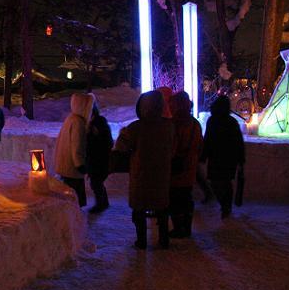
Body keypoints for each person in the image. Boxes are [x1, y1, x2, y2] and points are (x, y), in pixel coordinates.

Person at [113, 91, 175, 249]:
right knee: (162, 209)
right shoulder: (168, 126)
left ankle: (141, 241)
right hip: (162, 175)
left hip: (141, 175)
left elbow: (121, 147)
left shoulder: (135, 128)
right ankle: (163, 239)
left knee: (139, 210)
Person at [201, 95, 245, 219]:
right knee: (225, 182)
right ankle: (226, 206)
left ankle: (225, 205)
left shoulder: (212, 120)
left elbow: (207, 139)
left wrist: (204, 156)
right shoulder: (231, 122)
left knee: (217, 182)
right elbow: (239, 142)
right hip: (229, 158)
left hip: (216, 157)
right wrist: (240, 159)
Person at [169, 91, 203, 238]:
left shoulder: (174, 124)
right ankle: (187, 227)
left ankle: (178, 228)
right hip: (190, 167)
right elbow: (200, 146)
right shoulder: (195, 124)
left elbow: (171, 146)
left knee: (174, 199)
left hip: (175, 168)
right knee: (186, 198)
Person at [55, 93, 95, 207]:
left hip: (66, 166)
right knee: (76, 200)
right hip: (72, 168)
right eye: (90, 107)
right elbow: (77, 146)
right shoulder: (79, 123)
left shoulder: (71, 118)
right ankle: (76, 222)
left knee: (70, 198)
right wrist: (80, 165)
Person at [86, 103, 113, 213]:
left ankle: (100, 204)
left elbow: (100, 141)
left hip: (98, 158)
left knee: (96, 182)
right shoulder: (96, 122)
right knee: (97, 182)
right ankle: (104, 202)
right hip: (100, 158)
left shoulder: (97, 123)